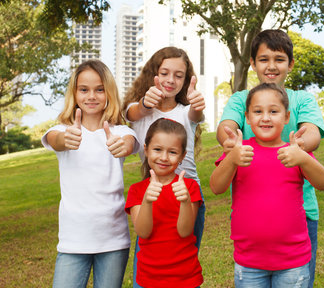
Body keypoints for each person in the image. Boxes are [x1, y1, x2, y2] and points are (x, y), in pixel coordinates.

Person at [216, 29, 324, 288]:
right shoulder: (241, 99)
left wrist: (299, 148)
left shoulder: (302, 99)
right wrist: (229, 142)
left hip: (301, 214)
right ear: (252, 63)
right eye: (264, 59)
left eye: (279, 59)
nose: (271, 66)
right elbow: (227, 127)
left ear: (290, 64)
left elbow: (313, 133)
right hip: (253, 223)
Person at [42, 60, 139, 288]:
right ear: (74, 93)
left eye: (99, 89)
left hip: (113, 240)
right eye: (84, 90)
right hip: (73, 241)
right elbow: (56, 141)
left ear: (109, 92)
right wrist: (66, 139)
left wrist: (121, 145)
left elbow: (129, 143)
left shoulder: (120, 131)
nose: (91, 96)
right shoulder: (61, 131)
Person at [122, 46, 205, 286]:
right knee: (148, 256)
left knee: (183, 257)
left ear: (186, 80)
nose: (171, 80)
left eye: (179, 75)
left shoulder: (186, 111)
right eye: (165, 73)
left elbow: (196, 115)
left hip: (187, 193)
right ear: (153, 74)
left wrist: (196, 102)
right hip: (153, 192)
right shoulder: (137, 110)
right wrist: (147, 104)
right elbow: (134, 112)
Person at [125, 118, 203, 288]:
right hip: (150, 278)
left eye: (172, 152)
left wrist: (184, 201)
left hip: (186, 277)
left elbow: (185, 231)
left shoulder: (190, 187)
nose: (164, 157)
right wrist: (147, 201)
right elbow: (143, 232)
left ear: (182, 156)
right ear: (146, 150)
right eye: (157, 149)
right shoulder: (137, 190)